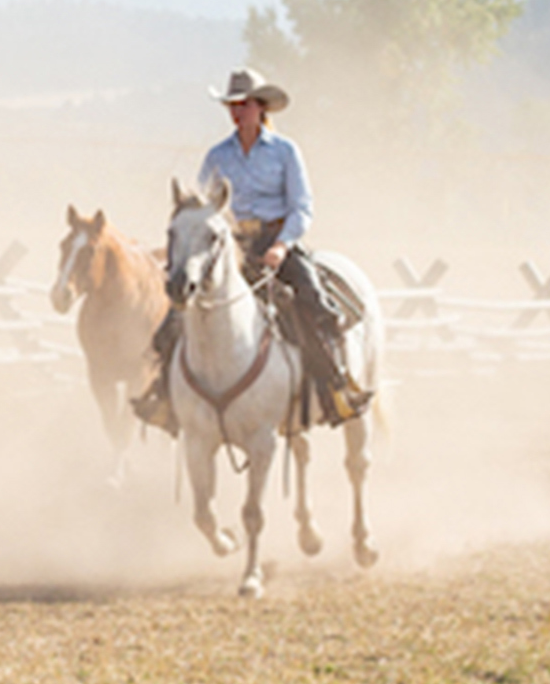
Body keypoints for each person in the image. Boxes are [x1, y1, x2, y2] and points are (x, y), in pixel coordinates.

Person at [132, 67, 373, 429]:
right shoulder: (217, 156)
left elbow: (302, 207)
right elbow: (199, 210)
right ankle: (164, 397)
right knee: (176, 314)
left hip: (277, 241)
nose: (236, 111)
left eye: (243, 104)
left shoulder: (285, 151)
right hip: (225, 247)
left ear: (261, 107)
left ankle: (337, 387)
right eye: (232, 104)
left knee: (314, 303)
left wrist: (281, 246)